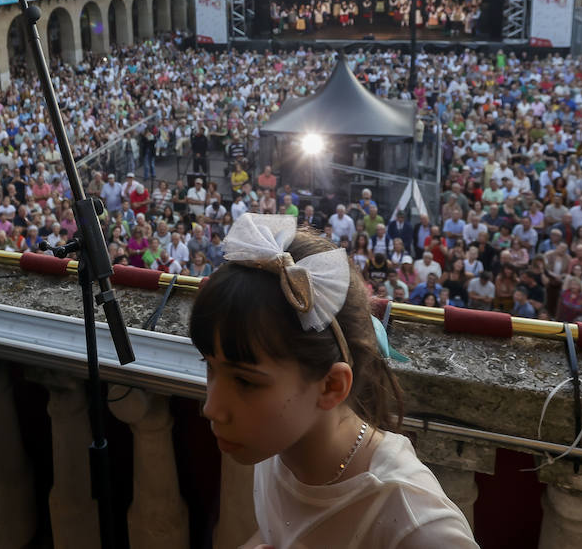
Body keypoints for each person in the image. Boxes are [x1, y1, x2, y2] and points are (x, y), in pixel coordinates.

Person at [190, 215, 477, 548]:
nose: (211, 408)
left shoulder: (419, 528)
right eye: (210, 367)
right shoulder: (278, 444)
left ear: (331, 386)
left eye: (245, 382)